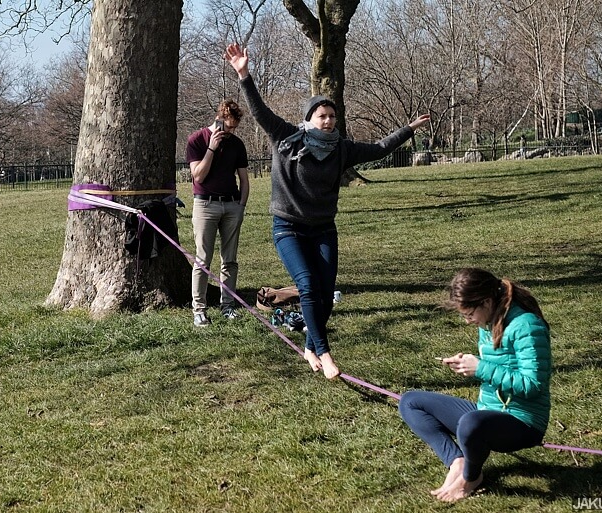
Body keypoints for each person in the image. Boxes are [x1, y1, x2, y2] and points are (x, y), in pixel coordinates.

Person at [224, 43, 430, 379]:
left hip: (322, 228)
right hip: (288, 226)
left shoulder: (342, 150)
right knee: (307, 286)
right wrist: (244, 74)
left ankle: (310, 344)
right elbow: (260, 112)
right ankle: (324, 352)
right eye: (322, 115)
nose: (329, 120)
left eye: (332, 116)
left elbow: (379, 149)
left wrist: (408, 129)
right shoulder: (287, 138)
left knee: (326, 296)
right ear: (309, 119)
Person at [399, 268, 551, 502]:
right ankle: (457, 462)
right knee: (410, 401)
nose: (468, 321)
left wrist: (480, 368)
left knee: (470, 424)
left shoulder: (527, 326)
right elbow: (495, 371)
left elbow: (533, 385)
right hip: (488, 411)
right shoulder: (488, 323)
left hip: (523, 422)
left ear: (487, 302)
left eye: (470, 314)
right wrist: (467, 365)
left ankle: (471, 477)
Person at [186, 100, 250, 327]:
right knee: (202, 260)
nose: (230, 132)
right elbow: (198, 176)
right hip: (205, 205)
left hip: (231, 205)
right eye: (228, 127)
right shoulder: (197, 140)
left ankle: (228, 306)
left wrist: (240, 207)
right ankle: (199, 310)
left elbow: (244, 180)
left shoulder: (237, 144)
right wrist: (212, 148)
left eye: (234, 128)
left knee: (230, 260)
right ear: (218, 120)